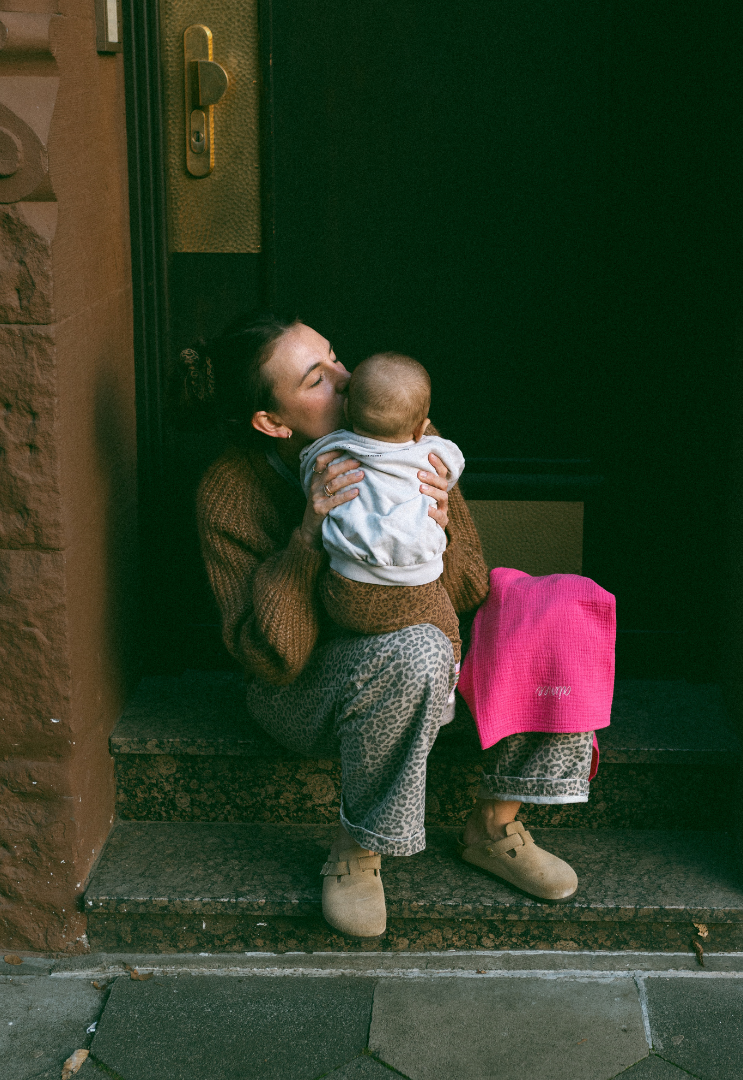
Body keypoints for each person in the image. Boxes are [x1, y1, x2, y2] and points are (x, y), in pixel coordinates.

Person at [193, 310, 595, 940]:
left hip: (424, 656)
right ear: (272, 421)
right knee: (418, 650)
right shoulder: (229, 490)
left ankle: (495, 826)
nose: (348, 380)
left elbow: (468, 588)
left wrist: (438, 522)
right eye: (316, 379)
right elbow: (276, 659)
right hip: (304, 695)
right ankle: (358, 846)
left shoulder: (408, 443)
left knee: (560, 606)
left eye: (336, 357)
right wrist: (306, 539)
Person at [299, 352, 464, 665]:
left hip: (347, 586)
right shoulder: (432, 452)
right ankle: (447, 693)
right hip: (417, 584)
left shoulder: (332, 451)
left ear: (348, 411)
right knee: (447, 630)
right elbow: (453, 469)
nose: (342, 378)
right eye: (317, 378)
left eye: (334, 358)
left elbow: (309, 470)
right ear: (421, 429)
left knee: (338, 624)